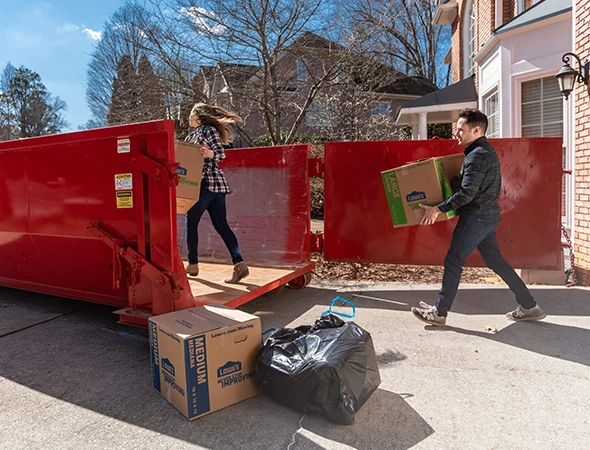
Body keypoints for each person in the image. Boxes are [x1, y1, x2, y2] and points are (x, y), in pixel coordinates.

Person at [411, 108, 546, 326]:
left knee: (453, 260)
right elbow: (473, 187)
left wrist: (437, 209)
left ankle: (440, 312)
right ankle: (529, 306)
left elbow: (467, 194)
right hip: (486, 217)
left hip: (476, 217)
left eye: (461, 130)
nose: (457, 134)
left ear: (476, 130)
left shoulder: (477, 156)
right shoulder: (482, 152)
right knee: (496, 262)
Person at [184, 103, 249, 284]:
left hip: (204, 184)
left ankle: (193, 263)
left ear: (198, 116)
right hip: (216, 187)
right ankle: (239, 264)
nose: (188, 116)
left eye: (191, 113)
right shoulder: (192, 135)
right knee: (221, 225)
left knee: (192, 223)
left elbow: (220, 154)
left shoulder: (207, 130)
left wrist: (208, 153)